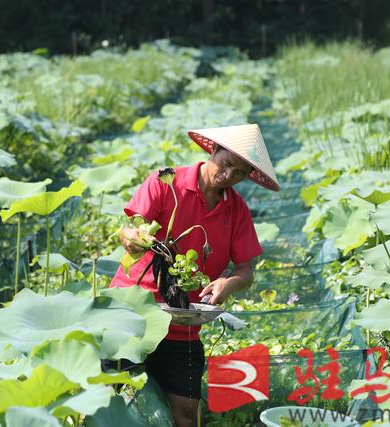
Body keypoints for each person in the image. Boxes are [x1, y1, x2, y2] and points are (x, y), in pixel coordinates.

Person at [110, 123, 280, 427]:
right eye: (226, 164)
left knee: (187, 412)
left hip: (182, 319)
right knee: (110, 396)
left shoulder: (237, 210)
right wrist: (132, 237)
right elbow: (129, 228)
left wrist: (228, 283)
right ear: (213, 150)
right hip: (133, 311)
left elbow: (245, 271)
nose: (229, 176)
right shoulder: (166, 182)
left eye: (240, 173)